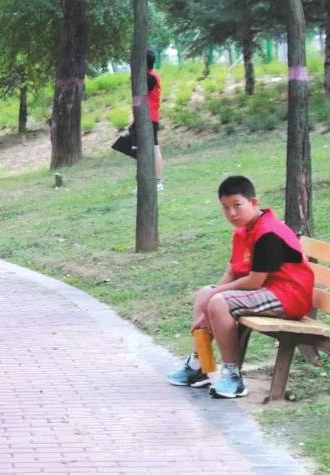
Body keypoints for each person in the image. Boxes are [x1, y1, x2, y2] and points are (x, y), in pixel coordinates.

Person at [166, 176, 314, 399]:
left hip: (288, 297)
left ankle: (232, 377)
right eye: (226, 208)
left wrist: (214, 298)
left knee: (218, 301)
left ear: (253, 202)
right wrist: (209, 298)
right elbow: (233, 271)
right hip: (267, 290)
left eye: (237, 205)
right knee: (205, 293)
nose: (232, 213)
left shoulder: (269, 233)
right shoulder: (243, 230)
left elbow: (254, 281)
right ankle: (199, 364)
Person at [121, 49, 165, 192]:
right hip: (144, 118)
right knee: (140, 150)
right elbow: (139, 98)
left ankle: (157, 182)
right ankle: (146, 183)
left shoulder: (150, 77)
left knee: (153, 148)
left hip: (149, 118)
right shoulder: (147, 76)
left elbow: (141, 96)